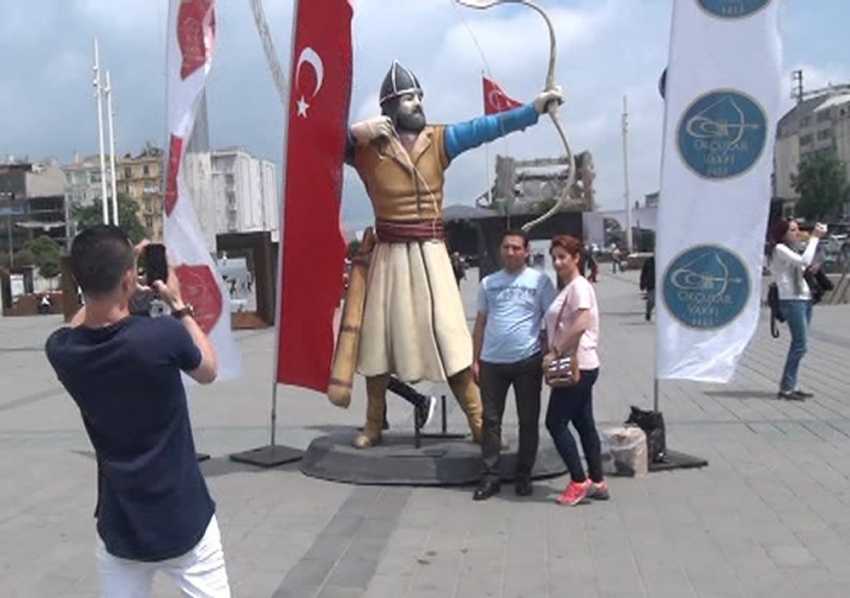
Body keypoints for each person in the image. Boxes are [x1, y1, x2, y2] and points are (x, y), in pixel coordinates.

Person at [340, 60, 563, 448]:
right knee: (376, 342)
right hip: (389, 255)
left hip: (430, 252)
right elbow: (315, 143)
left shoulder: (438, 139)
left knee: (450, 335)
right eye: (409, 97)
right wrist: (354, 133)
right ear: (389, 106)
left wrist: (533, 110)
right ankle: (374, 422)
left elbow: (484, 128)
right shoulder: (366, 149)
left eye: (419, 96)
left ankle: (478, 423)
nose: (417, 102)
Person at [44, 225, 231, 597]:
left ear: (79, 281)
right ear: (131, 279)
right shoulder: (163, 336)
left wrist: (112, 278)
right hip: (184, 517)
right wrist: (179, 305)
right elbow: (209, 369)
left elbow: (80, 322)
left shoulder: (63, 351)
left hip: (120, 523)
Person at [471, 230, 556, 501]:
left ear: (527, 252)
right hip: (492, 362)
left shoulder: (540, 282)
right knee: (490, 421)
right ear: (500, 250)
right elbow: (481, 323)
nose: (511, 252)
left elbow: (551, 321)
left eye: (517, 248)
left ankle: (523, 475)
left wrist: (550, 354)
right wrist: (474, 359)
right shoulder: (488, 283)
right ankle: (490, 475)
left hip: (527, 361)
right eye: (506, 247)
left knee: (528, 421)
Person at [543, 235, 608, 506]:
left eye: (563, 257)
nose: (557, 262)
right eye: (554, 257)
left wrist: (555, 351)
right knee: (583, 424)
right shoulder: (572, 286)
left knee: (555, 423)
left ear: (576, 258)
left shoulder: (579, 286)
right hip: (583, 365)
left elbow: (581, 323)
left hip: (576, 364)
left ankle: (578, 481)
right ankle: (597, 480)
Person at [769, 218, 827, 401]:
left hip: (803, 299)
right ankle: (786, 388)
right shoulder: (779, 249)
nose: (797, 232)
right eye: (792, 230)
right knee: (800, 345)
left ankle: (792, 384)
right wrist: (815, 237)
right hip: (792, 300)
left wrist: (816, 237)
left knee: (800, 344)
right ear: (783, 234)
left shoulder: (792, 248)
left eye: (797, 229)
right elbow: (804, 261)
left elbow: (812, 257)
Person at [639, 256, 655, 322]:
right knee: (652, 301)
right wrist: (642, 284)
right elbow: (643, 273)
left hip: (662, 284)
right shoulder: (649, 261)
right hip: (651, 284)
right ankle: (648, 312)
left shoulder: (664, 260)